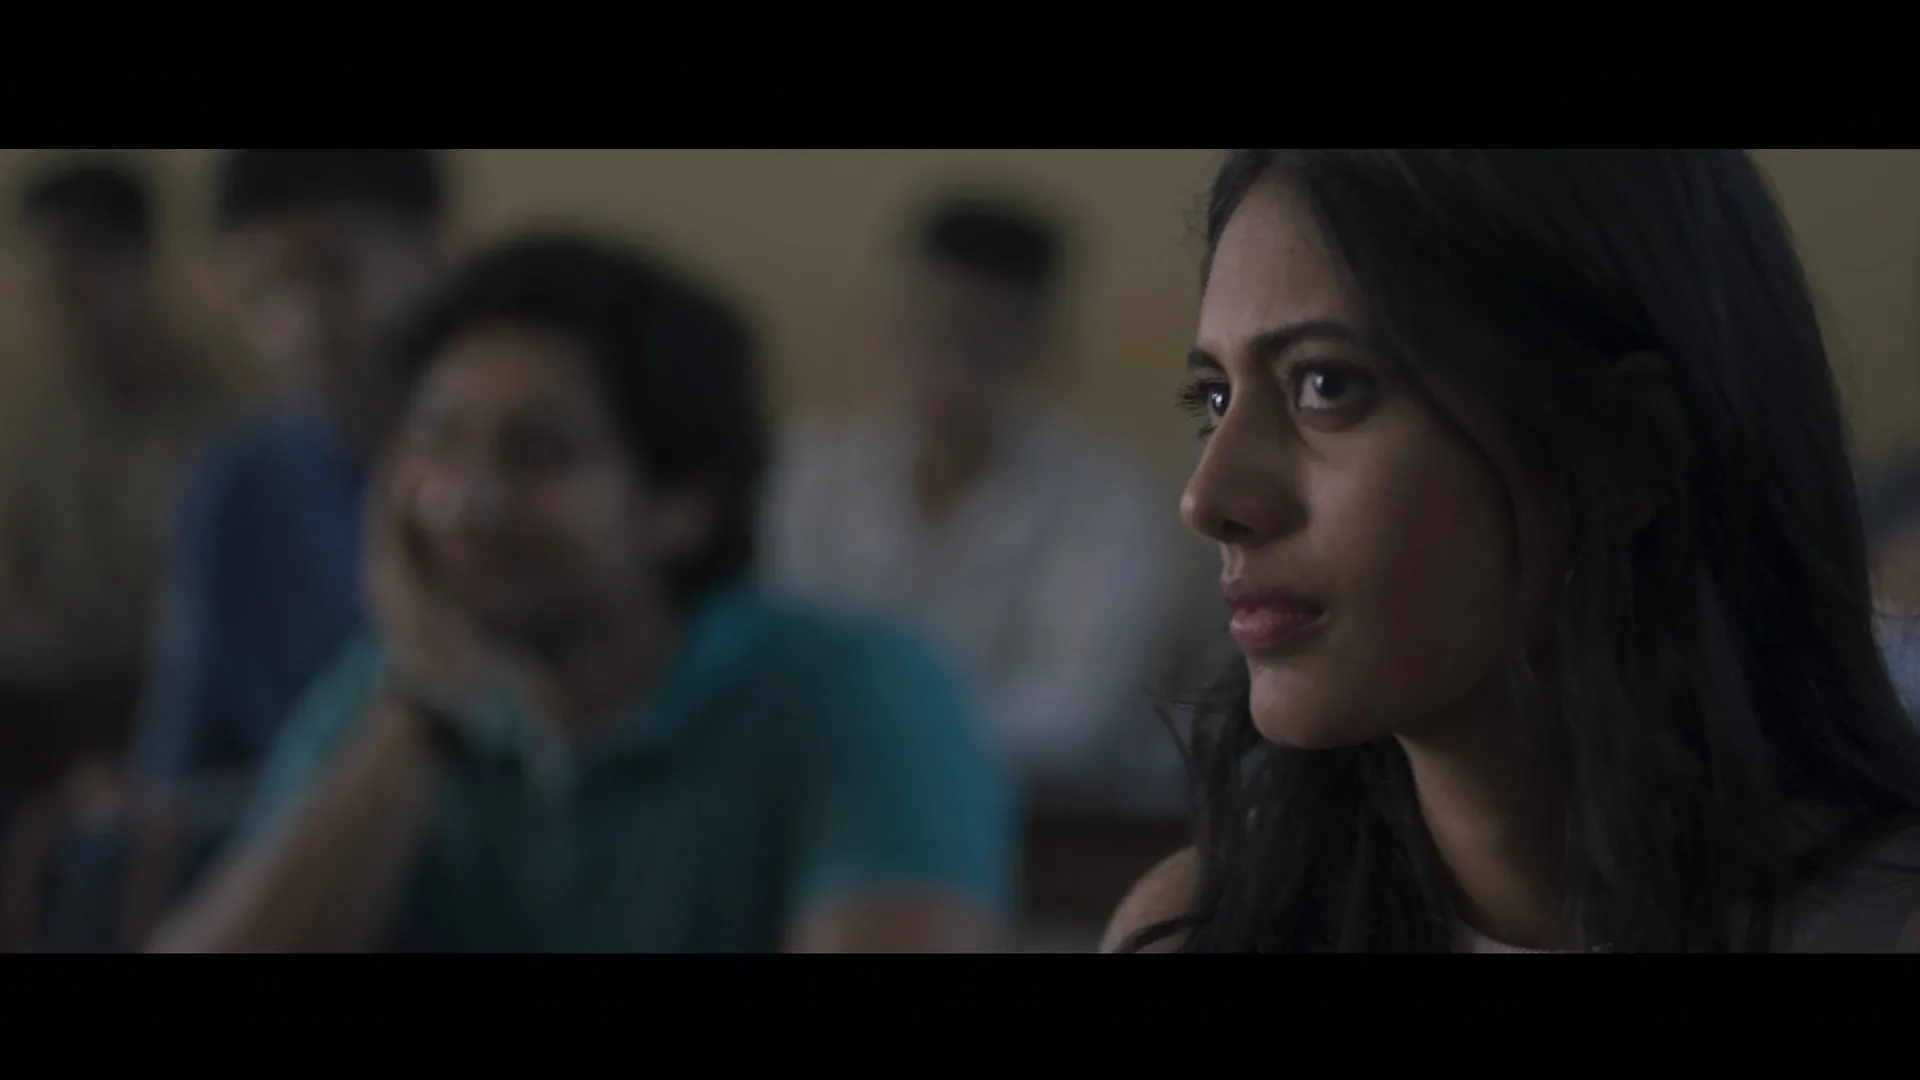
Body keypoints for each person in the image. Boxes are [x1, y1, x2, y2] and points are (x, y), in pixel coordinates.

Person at [1103, 150, 1920, 954]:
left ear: (1621, 452)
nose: (1207, 501)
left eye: (1327, 385)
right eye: (1216, 398)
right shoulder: (1203, 928)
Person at [149, 232, 1010, 953]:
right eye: (437, 440)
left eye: (536, 454)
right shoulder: (391, 695)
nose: (460, 503)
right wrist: (426, 710)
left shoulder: (863, 693)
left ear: (685, 506)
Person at [764, 193, 1192, 805]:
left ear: (1040, 349)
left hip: (1029, 821)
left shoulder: (1107, 499)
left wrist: (873, 736)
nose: (938, 367)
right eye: (917, 330)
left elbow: (1076, 714)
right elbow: (774, 672)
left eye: (977, 341)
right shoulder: (808, 475)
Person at [130, 150, 449, 794]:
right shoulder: (235, 485)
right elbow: (179, 761)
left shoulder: (495, 487)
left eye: (337, 272)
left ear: (434, 251)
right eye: (266, 291)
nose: (304, 324)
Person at [0, 157, 240, 693]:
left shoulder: (222, 420)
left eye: (78, 278)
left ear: (138, 261)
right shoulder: (52, 419)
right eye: (50, 286)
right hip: (65, 694)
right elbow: (23, 574)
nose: (62, 306)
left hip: (180, 685)